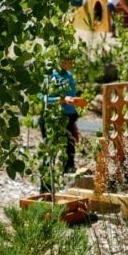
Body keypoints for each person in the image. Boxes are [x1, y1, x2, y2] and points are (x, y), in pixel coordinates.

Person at [39, 55, 80, 192]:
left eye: (71, 60)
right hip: (52, 119)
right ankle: (45, 188)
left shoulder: (69, 75)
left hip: (68, 118)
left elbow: (70, 99)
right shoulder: (51, 75)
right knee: (50, 152)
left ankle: (67, 186)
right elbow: (43, 97)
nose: (70, 62)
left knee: (70, 151)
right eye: (67, 59)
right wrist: (62, 100)